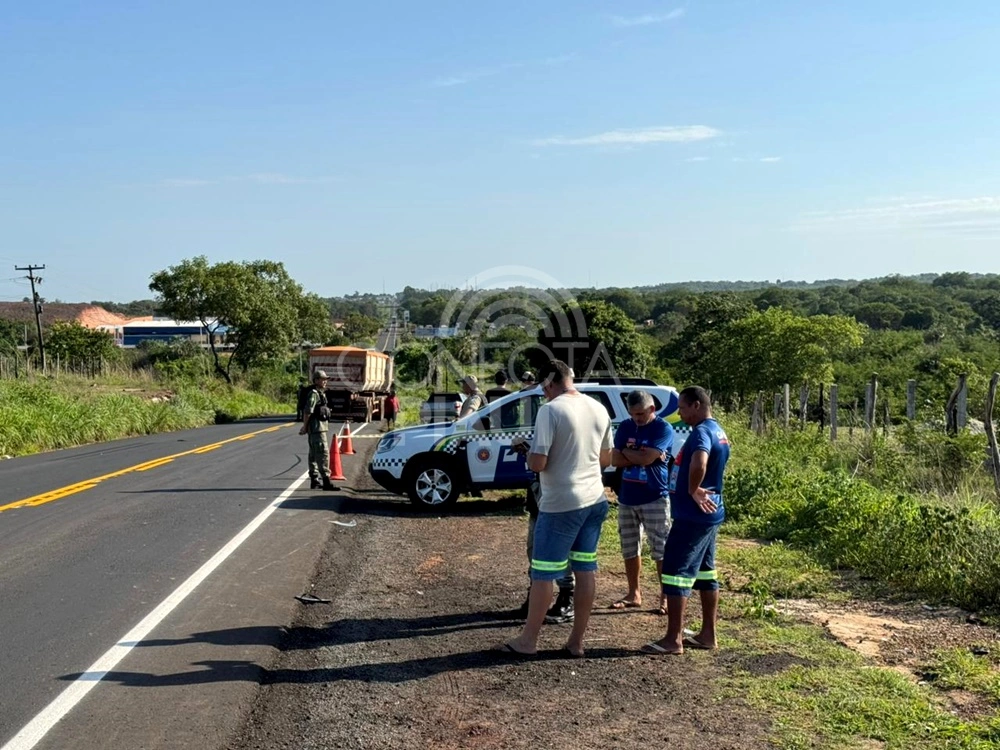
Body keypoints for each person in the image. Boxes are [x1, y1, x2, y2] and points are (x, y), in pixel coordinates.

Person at [497, 359, 612, 658]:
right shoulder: (598, 407)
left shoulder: (550, 410)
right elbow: (605, 459)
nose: (543, 394)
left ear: (549, 383)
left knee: (544, 573)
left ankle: (528, 640)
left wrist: (527, 451)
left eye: (542, 388)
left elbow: (538, 463)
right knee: (585, 570)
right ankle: (576, 642)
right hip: (595, 500)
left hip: (562, 503)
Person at [641, 386, 730, 655]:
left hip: (693, 515)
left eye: (681, 407)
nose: (679, 412)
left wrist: (693, 489)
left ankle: (673, 639)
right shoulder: (718, 431)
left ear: (696, 405)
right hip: (709, 513)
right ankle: (707, 635)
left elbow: (699, 462)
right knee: (706, 573)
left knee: (675, 572)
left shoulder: (702, 432)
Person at [610, 390, 674, 614]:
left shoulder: (663, 428)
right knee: (629, 546)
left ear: (652, 409)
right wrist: (638, 453)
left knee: (661, 549)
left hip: (654, 496)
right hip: (627, 497)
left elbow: (647, 458)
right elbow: (614, 458)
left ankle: (666, 597)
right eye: (633, 414)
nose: (636, 418)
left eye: (640, 414)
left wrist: (630, 452)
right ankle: (633, 593)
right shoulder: (625, 427)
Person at [299, 370, 336, 491]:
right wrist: (305, 427)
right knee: (322, 454)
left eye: (326, 379)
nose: (325, 381)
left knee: (313, 455)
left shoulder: (320, 393)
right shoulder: (314, 394)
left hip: (316, 428)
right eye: (322, 379)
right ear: (316, 380)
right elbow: (308, 411)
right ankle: (326, 482)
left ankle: (314, 480)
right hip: (317, 429)